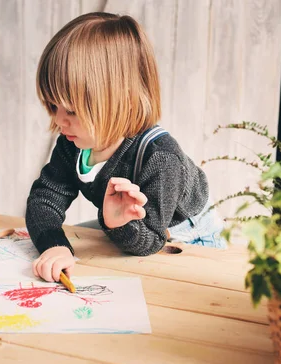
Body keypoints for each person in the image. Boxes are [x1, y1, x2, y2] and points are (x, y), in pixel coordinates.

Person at [25, 12, 226, 283]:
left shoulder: (162, 158)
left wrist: (116, 223)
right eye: (52, 106)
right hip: (128, 226)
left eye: (71, 110)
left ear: (122, 102)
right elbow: (44, 198)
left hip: (183, 237)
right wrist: (54, 244)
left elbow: (151, 240)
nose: (59, 121)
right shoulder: (72, 143)